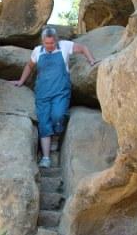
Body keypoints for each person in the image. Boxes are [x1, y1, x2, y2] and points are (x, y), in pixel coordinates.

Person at [10, 26, 98, 168]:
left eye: (52, 43)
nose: (50, 46)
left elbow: (82, 48)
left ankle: (56, 136)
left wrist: (91, 60)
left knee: (58, 115)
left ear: (56, 40)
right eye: (47, 43)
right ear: (43, 41)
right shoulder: (37, 51)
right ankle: (46, 158)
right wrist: (21, 81)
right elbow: (29, 66)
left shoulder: (64, 46)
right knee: (44, 123)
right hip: (43, 93)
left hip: (60, 91)